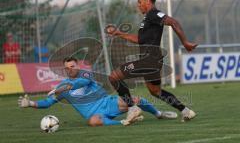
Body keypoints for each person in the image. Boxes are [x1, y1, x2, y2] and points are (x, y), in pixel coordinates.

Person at [105, 0, 198, 122]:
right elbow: (139, 39)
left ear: (148, 1)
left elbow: (173, 22)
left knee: (114, 77)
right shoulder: (148, 18)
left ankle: (132, 108)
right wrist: (118, 33)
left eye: (140, 1)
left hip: (149, 59)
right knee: (155, 91)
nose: (138, 5)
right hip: (153, 60)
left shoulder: (153, 14)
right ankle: (186, 111)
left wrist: (185, 42)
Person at [18, 57, 178, 126]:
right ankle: (124, 122)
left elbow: (82, 82)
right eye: (67, 68)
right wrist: (30, 103)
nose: (70, 70)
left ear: (77, 65)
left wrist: (63, 88)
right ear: (65, 70)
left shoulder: (85, 74)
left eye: (72, 66)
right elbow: (47, 103)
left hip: (107, 104)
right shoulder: (62, 86)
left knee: (135, 100)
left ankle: (158, 113)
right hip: (95, 115)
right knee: (93, 122)